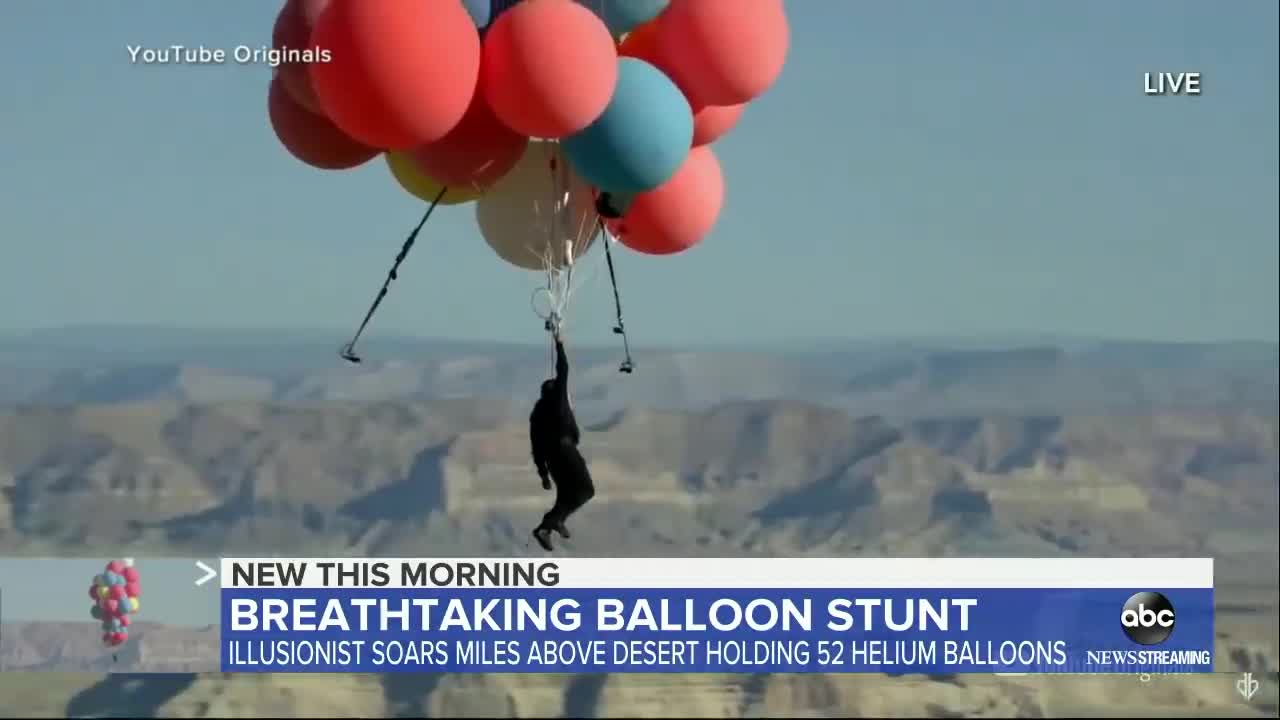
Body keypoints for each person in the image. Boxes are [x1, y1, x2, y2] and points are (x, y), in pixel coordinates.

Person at [529, 326, 595, 551]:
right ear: (555, 391)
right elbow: (563, 368)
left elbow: (536, 447)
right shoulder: (558, 401)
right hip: (565, 451)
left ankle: (552, 523)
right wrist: (559, 342)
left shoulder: (537, 414)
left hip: (553, 460)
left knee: (565, 495)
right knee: (586, 490)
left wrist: (543, 475)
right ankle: (549, 524)